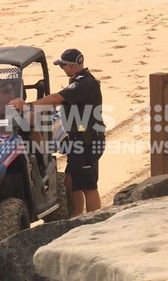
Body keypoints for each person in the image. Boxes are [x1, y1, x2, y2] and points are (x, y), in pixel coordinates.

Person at [9, 48, 105, 217]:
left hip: (87, 141)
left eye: (63, 66)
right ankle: (76, 215)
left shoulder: (84, 83)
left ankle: (94, 219)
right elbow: (59, 103)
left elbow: (57, 98)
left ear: (71, 65)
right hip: (78, 140)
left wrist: (28, 105)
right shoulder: (79, 82)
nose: (62, 69)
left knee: (88, 185)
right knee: (71, 181)